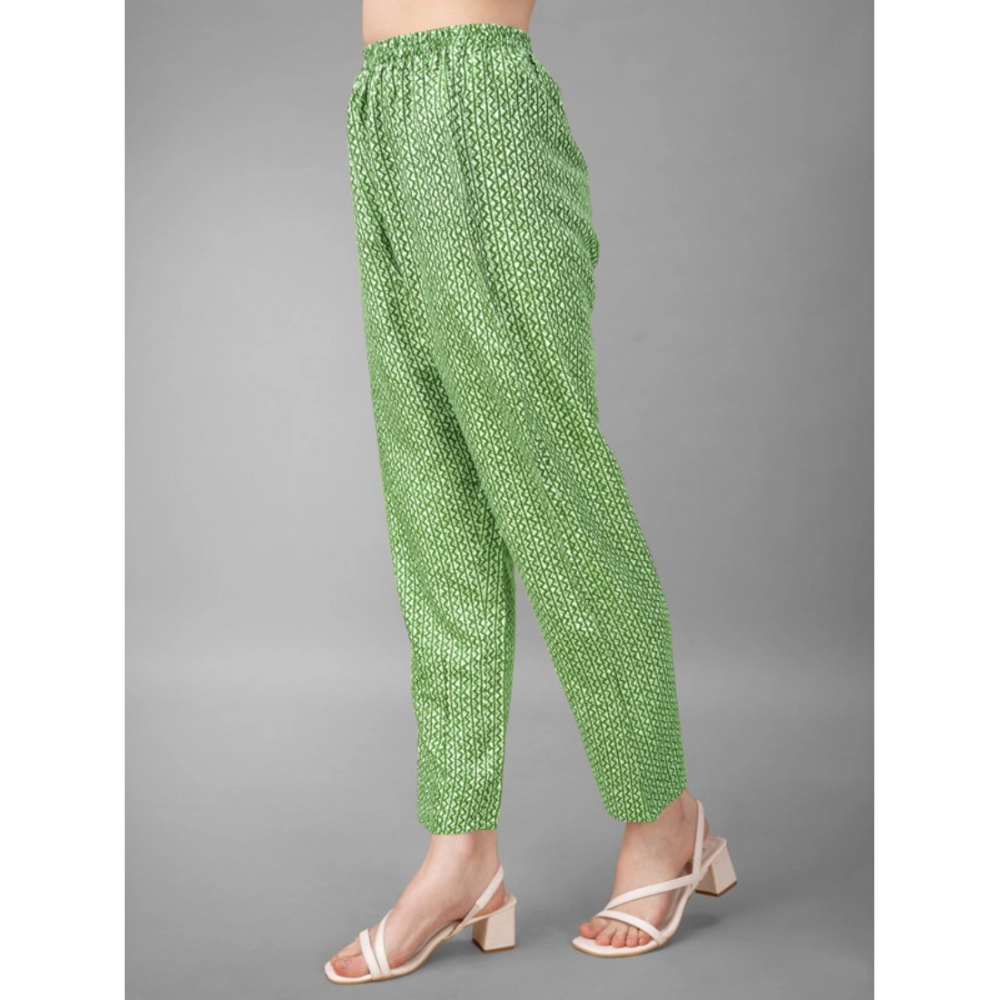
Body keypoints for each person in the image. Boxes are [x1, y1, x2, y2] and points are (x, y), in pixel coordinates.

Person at [326, 0, 736, 984]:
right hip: (381, 109)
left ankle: (663, 817)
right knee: (434, 507)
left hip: (477, 106)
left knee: (553, 498)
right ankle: (461, 851)